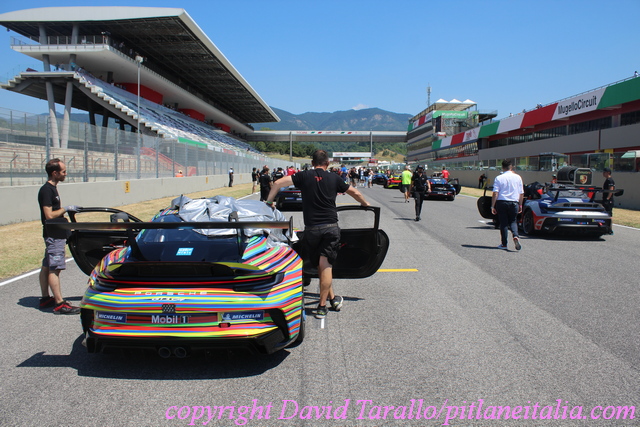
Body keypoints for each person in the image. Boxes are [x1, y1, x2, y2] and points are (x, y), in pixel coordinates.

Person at [265, 150, 370, 319]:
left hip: (312, 229)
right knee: (325, 265)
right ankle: (322, 306)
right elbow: (356, 193)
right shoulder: (334, 178)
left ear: (312, 163)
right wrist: (365, 204)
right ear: (327, 163)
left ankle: (332, 298)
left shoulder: (303, 176)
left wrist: (269, 202)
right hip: (330, 227)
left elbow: (277, 183)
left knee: (322, 266)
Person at [37, 159, 81, 314]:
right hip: (54, 235)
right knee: (55, 269)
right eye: (63, 171)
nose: (65, 174)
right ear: (55, 173)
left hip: (54, 233)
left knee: (47, 266)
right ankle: (59, 304)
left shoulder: (52, 189)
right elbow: (49, 215)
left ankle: (45, 298)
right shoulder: (46, 190)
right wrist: (65, 209)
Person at [491, 159, 524, 250]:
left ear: (502, 167)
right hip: (514, 202)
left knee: (504, 223)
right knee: (513, 221)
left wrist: (492, 205)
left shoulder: (499, 178)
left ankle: (504, 244)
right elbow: (521, 193)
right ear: (511, 167)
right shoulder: (518, 177)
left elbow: (495, 193)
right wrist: (520, 205)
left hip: (502, 202)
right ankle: (515, 235)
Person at [601, 167, 615, 234]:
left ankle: (609, 229)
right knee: (605, 214)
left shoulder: (610, 180)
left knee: (608, 214)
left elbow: (611, 190)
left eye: (604, 172)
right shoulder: (607, 180)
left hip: (609, 201)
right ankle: (606, 228)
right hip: (605, 199)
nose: (603, 173)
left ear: (608, 173)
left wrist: (607, 199)